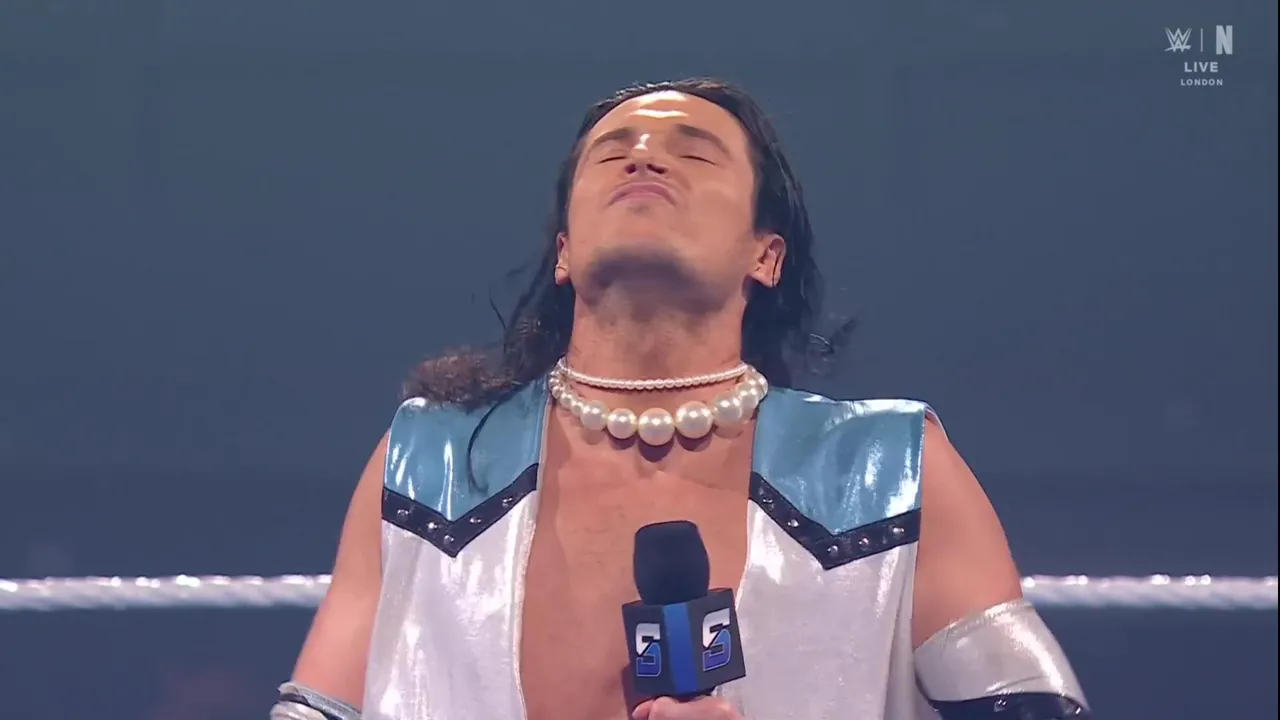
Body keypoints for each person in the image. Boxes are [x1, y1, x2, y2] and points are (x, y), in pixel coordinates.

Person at [271, 78, 1090, 720]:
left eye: (693, 154)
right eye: (613, 152)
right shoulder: (430, 464)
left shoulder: (891, 470)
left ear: (765, 256)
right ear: (564, 252)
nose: (644, 160)